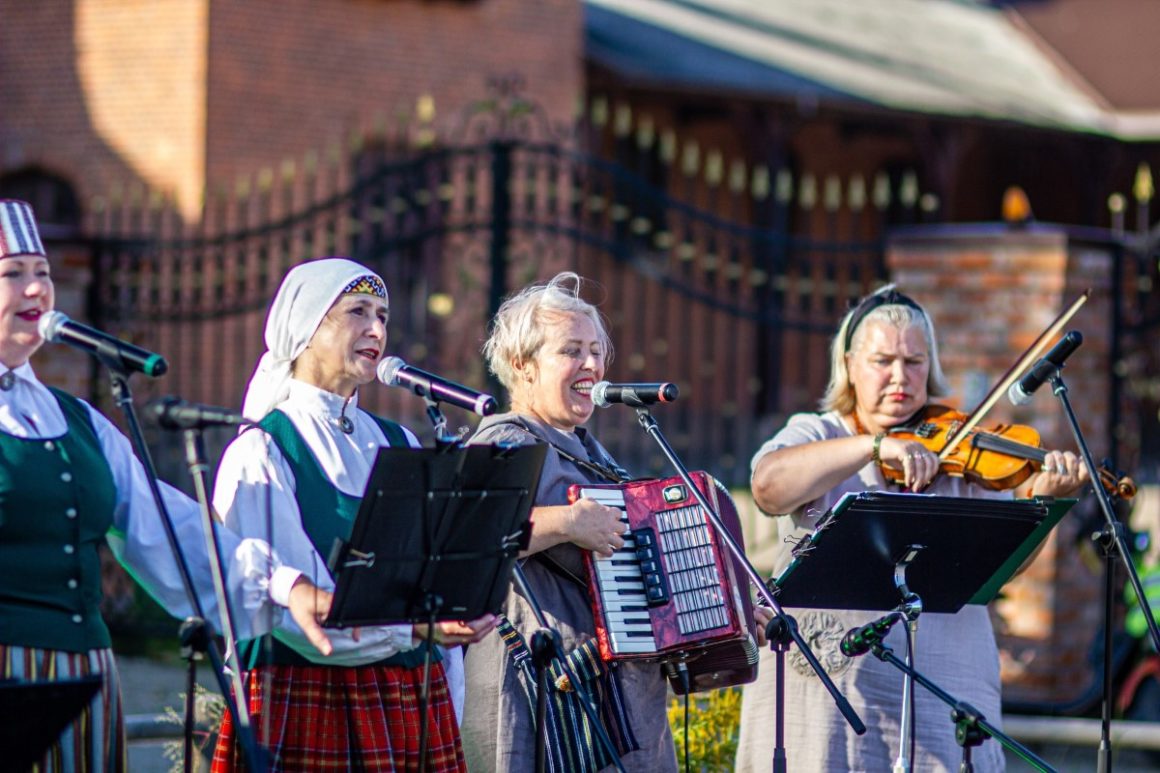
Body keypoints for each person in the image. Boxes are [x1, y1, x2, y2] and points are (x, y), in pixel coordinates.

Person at [733, 285, 1090, 771]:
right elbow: (769, 488)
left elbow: (999, 570)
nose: (900, 376)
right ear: (850, 366)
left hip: (941, 687)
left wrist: (1046, 504)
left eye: (915, 362)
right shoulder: (819, 433)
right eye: (883, 360)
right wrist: (872, 447)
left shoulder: (964, 450)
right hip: (835, 695)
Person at [0, 200, 269, 772]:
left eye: (43, 273)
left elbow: (165, 525)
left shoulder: (78, 420)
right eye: (11, 274)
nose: (35, 291)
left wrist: (286, 586)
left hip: (88, 679)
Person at [210, 257, 497, 771]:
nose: (377, 329)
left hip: (410, 693)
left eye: (383, 315)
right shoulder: (262, 451)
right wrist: (412, 631)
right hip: (310, 694)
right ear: (307, 326)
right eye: (357, 312)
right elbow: (296, 610)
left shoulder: (400, 441)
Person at [460, 272, 678, 773]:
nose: (592, 365)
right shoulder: (504, 441)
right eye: (571, 351)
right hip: (539, 696)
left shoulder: (590, 451)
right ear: (522, 365)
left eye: (597, 350)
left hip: (607, 700)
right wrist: (565, 522)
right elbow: (466, 540)